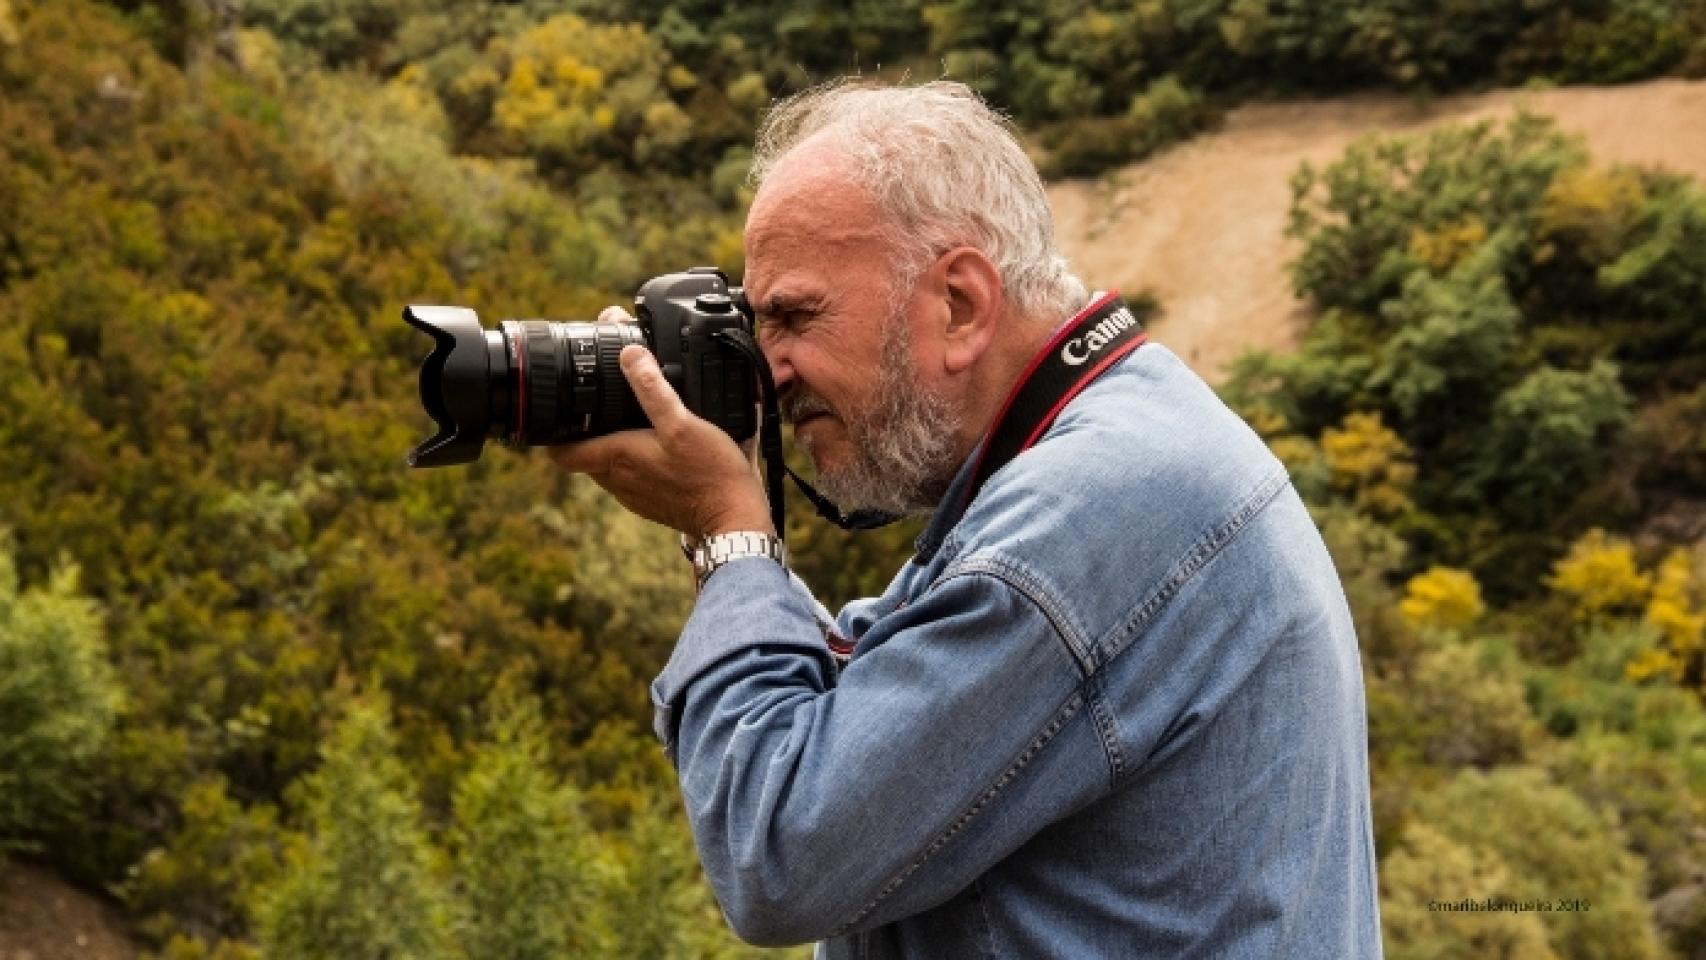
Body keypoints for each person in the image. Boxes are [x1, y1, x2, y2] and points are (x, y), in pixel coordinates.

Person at [552, 81, 1383, 959]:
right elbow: (871, 708)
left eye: (794, 316)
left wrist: (729, 533)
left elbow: (782, 855)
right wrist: (719, 520)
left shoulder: (1084, 515)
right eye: (758, 327)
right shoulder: (1124, 435)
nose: (772, 370)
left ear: (960, 304)